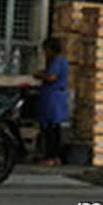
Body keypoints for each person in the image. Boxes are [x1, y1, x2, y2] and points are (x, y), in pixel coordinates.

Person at [33, 37, 69, 166]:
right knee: (53, 129)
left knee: (51, 130)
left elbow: (52, 77)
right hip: (52, 97)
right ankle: (54, 156)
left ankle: (51, 157)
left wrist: (40, 75)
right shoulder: (59, 61)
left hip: (53, 98)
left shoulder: (58, 61)